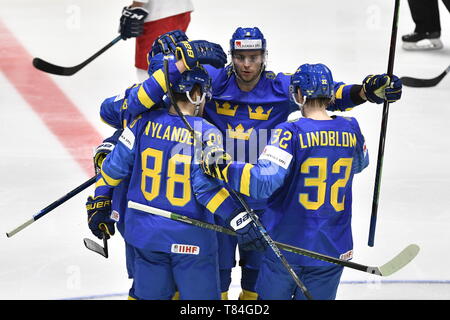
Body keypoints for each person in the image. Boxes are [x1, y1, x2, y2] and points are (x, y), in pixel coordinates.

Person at [121, 27, 403, 300]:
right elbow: (164, 95)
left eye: (254, 57)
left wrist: (365, 92)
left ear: (264, 56)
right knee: (214, 275)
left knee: (256, 278)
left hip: (264, 201)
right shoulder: (213, 81)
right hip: (218, 197)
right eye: (240, 57)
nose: (247, 65)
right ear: (231, 56)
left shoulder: (281, 85)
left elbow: (329, 93)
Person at [86, 62, 267, 299]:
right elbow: (206, 189)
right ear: (196, 94)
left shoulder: (140, 122)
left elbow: (112, 170)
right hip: (191, 241)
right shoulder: (206, 132)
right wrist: (238, 218)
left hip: (145, 236)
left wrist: (99, 199)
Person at [201, 63, 370, 300]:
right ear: (331, 94)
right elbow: (360, 164)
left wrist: (224, 168)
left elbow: (263, 182)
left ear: (299, 94)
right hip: (334, 247)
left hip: (289, 244)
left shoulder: (290, 132)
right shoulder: (351, 128)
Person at [118, 0, 194, 80]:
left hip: (159, 15)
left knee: (151, 68)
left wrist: (135, 8)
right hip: (178, 10)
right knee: (170, 63)